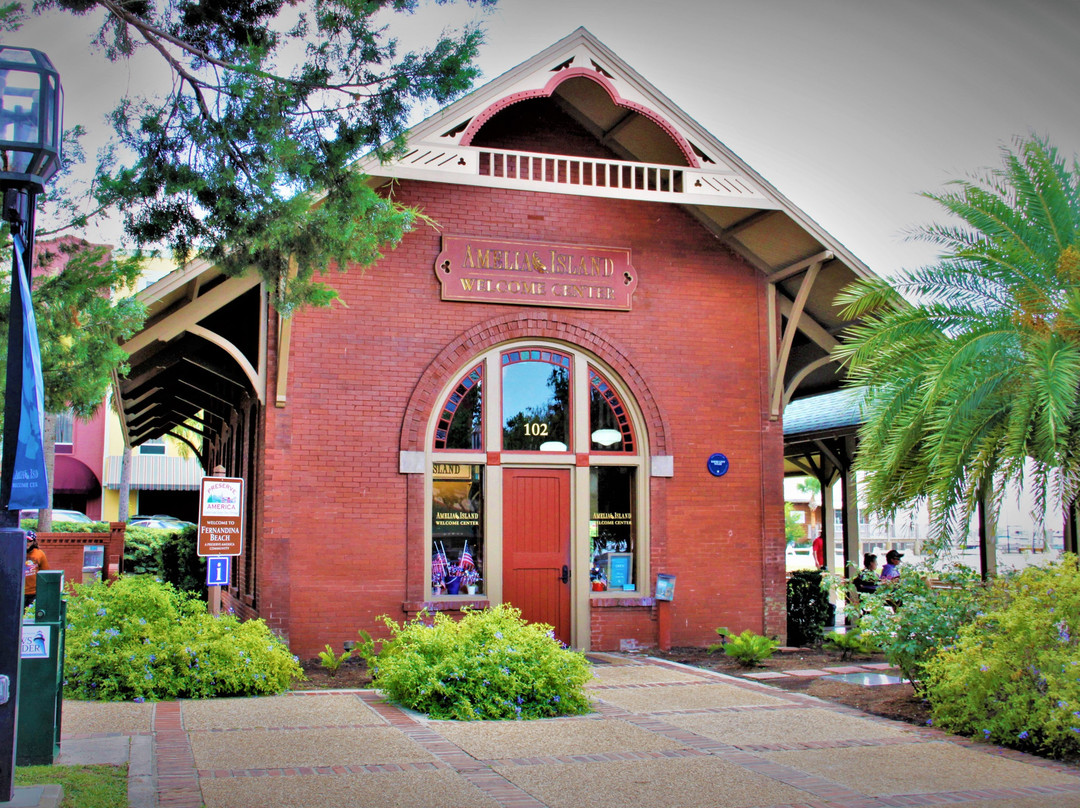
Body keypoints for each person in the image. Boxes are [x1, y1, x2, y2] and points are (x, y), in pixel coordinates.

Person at [24, 530, 49, 610]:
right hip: (20, 592)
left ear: (33, 542)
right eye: (25, 540)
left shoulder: (39, 554)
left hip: (35, 592)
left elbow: (45, 573)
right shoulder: (16, 552)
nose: (27, 543)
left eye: (29, 541)